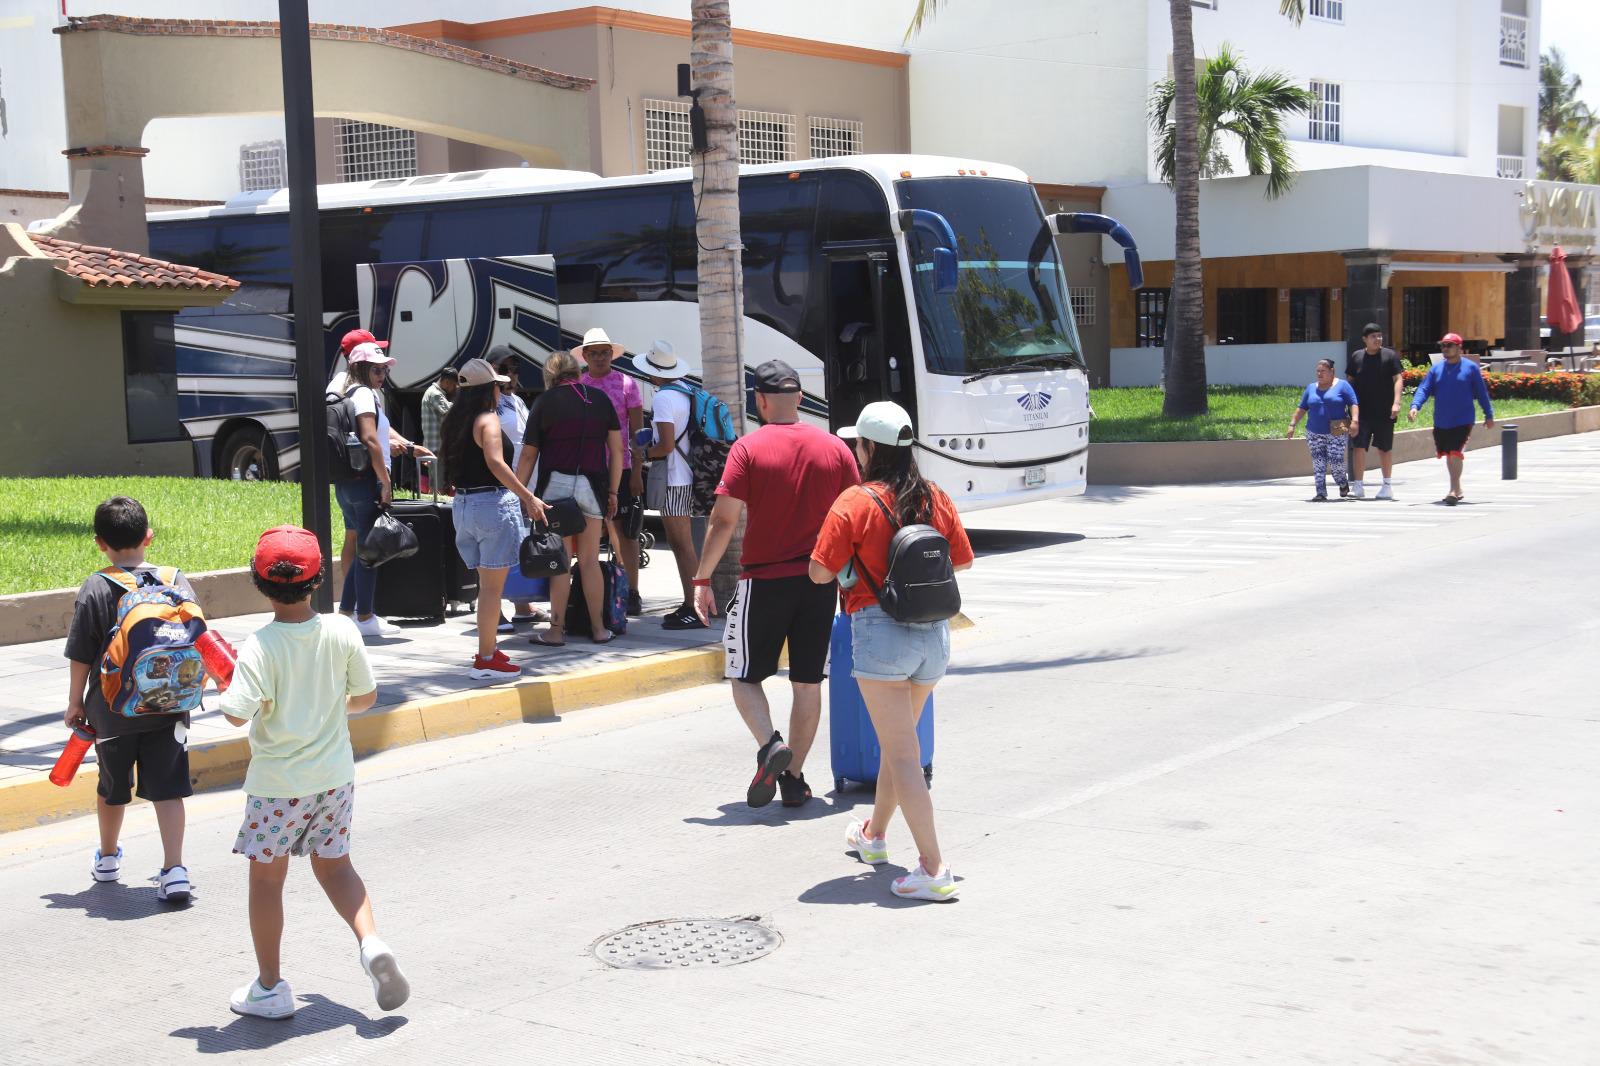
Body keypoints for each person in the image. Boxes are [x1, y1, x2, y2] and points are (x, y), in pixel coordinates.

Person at [219, 526, 408, 1019]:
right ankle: (370, 945)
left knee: (266, 884)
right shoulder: (343, 630)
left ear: (258, 582)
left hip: (277, 787)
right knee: (337, 867)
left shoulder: (259, 646)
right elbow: (365, 699)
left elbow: (237, 715)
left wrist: (226, 687)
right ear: (319, 578)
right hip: (333, 778)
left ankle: (270, 987)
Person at [810, 402, 974, 901]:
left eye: (857, 444)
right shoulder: (935, 497)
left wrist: (852, 569)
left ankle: (933, 867)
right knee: (897, 746)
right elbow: (962, 562)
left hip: (881, 635)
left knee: (903, 754)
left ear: (869, 448)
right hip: (933, 637)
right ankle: (874, 837)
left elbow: (819, 572)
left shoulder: (853, 502)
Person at [693, 359, 860, 809]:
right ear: (801, 399)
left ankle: (770, 746)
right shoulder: (835, 449)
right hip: (819, 582)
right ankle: (794, 780)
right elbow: (854, 515)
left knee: (742, 674)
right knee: (807, 684)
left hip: (764, 581)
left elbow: (723, 519)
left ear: (760, 401)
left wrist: (702, 578)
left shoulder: (747, 449)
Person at [61, 496, 194, 903]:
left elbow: (82, 652)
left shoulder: (97, 586)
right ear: (148, 537)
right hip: (170, 706)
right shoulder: (175, 579)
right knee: (168, 789)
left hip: (112, 710)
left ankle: (107, 858)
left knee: (111, 787)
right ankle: (174, 870)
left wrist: (75, 703)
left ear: (100, 543)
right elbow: (197, 636)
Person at [440, 358, 546, 678]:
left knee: (485, 587)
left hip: (464, 507)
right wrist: (528, 496)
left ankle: (488, 651)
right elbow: (496, 463)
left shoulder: (454, 421)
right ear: (489, 390)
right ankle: (486, 658)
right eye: (498, 385)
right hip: (491, 506)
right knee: (491, 590)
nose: (502, 390)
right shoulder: (488, 420)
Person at [516, 350, 624, 646]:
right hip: (593, 486)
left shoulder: (544, 402)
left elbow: (528, 455)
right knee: (590, 561)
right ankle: (600, 629)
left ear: (550, 376)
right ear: (577, 371)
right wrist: (613, 490)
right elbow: (617, 450)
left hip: (555, 490)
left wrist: (521, 493)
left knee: (561, 562)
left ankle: (555, 631)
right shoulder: (600, 399)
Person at [335, 343, 431, 638]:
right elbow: (371, 439)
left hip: (348, 482)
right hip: (367, 481)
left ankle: (348, 614)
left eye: (385, 369)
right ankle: (364, 616)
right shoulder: (363, 394)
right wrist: (385, 481)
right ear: (361, 369)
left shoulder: (347, 393)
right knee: (371, 553)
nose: (383, 375)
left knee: (365, 548)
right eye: (377, 369)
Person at [639, 340, 707, 630]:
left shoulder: (664, 398)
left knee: (682, 546)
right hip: (688, 474)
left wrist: (641, 452)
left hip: (674, 479)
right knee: (685, 545)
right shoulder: (687, 390)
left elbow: (665, 446)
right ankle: (692, 603)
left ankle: (694, 607)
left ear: (654, 372)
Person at [578, 327, 646, 616]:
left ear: (611, 354)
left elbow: (638, 433)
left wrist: (637, 472)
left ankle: (631, 591)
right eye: (594, 353)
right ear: (585, 356)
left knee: (626, 532)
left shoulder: (627, 384)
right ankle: (596, 593)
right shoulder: (579, 385)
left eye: (604, 352)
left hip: (624, 467)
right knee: (591, 533)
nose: (600, 358)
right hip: (591, 470)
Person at [489, 347, 543, 629]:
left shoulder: (516, 401)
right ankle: (492, 609)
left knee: (521, 542)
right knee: (496, 549)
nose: (510, 375)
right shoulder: (488, 404)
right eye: (504, 369)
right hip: (503, 483)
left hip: (525, 483)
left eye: (514, 369)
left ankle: (522, 604)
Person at [1409, 331, 1495, 506]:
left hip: (1463, 419)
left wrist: (1489, 414)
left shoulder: (1470, 369)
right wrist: (1415, 406)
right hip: (1442, 420)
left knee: (1456, 452)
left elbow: (1481, 393)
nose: (1445, 349)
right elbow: (1424, 389)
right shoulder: (1436, 369)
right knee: (1449, 453)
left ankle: (1453, 490)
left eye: (1449, 345)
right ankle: (1457, 487)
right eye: (1443, 346)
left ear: (1459, 348)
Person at [1287, 358, 1359, 502]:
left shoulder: (1342, 386)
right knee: (1318, 463)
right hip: (1314, 432)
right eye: (1318, 371)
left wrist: (1355, 421)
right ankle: (1320, 493)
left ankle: (1342, 483)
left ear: (1332, 372)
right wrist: (1292, 424)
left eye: (1323, 371)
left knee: (1336, 464)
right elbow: (1302, 408)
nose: (1320, 374)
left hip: (1337, 431)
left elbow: (1353, 403)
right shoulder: (1311, 388)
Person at [1345, 323, 1404, 500]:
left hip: (1384, 411)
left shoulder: (1389, 356)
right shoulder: (1357, 357)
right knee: (1358, 447)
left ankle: (1387, 486)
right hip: (1361, 412)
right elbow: (1349, 382)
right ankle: (1358, 486)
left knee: (1384, 448)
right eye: (1373, 336)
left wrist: (1396, 403)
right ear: (1365, 339)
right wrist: (1347, 405)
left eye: (1379, 336)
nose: (1378, 339)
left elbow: (1398, 379)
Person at [419, 366, 458, 465]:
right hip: (436, 451)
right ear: (446, 382)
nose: (454, 389)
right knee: (438, 480)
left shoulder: (431, 392)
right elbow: (452, 413)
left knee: (436, 479)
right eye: (453, 385)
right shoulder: (436, 394)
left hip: (434, 450)